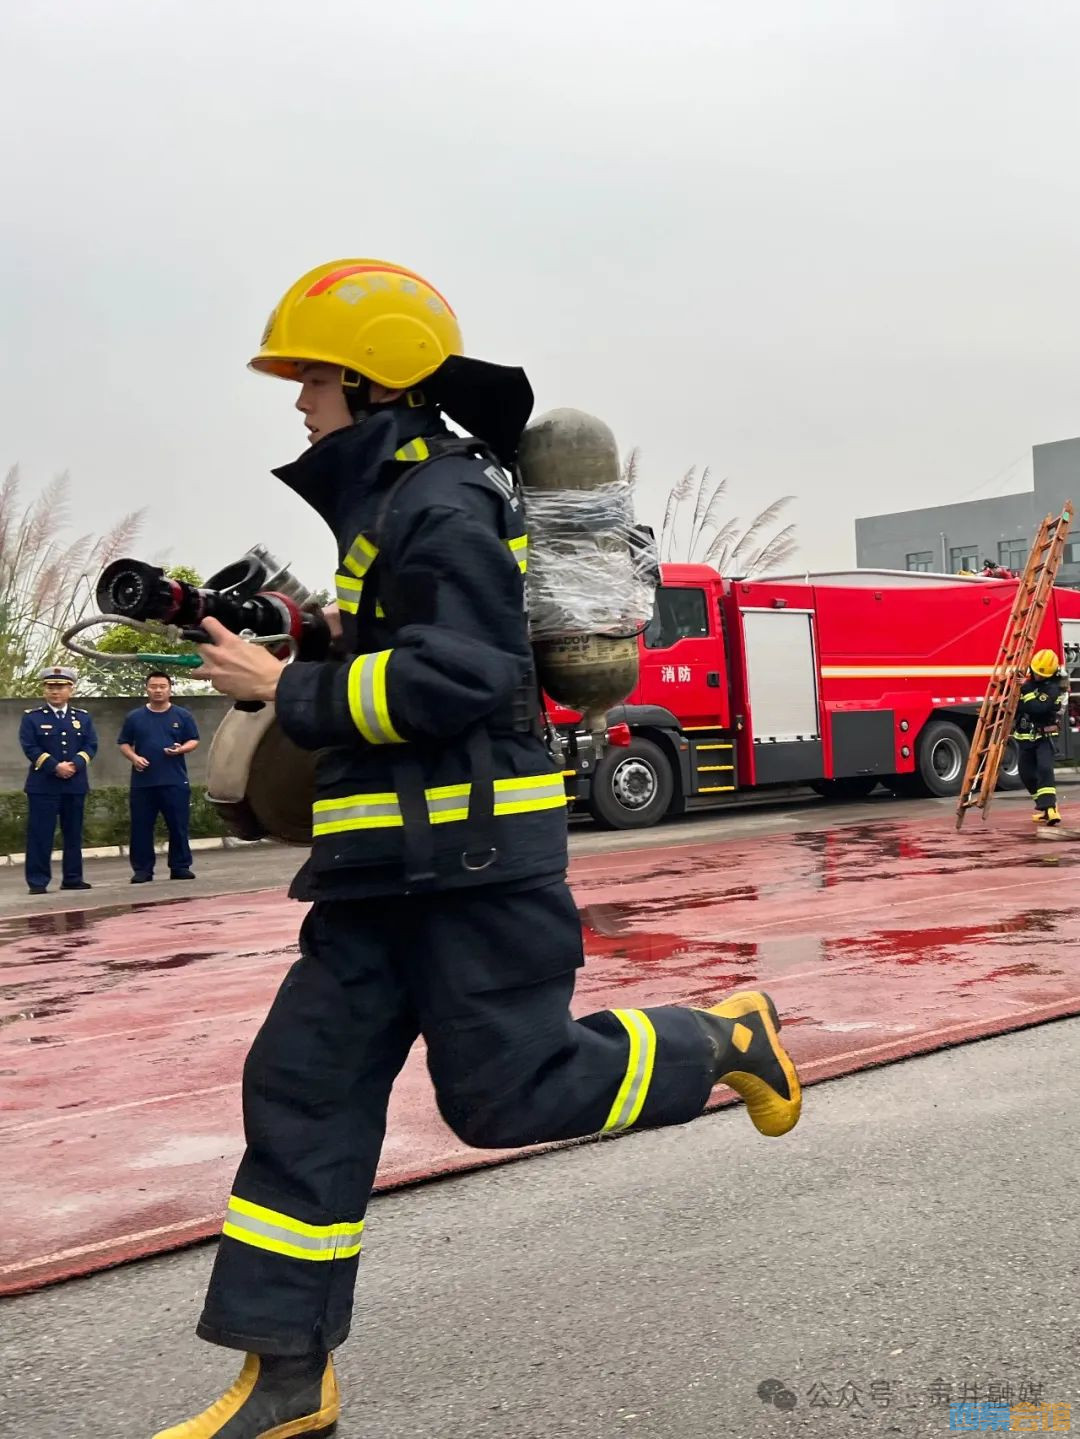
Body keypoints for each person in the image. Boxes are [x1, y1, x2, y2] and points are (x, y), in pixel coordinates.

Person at [152, 259, 804, 1439]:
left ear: (371, 378)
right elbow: (412, 650)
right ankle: (289, 1381)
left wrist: (292, 686)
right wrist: (310, 632)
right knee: (299, 1095)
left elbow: (474, 675)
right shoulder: (388, 510)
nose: (298, 404)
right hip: (370, 885)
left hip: (469, 875)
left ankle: (723, 1038)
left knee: (509, 1096)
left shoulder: (444, 500)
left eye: (309, 380)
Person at [18, 666, 97, 896]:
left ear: (70, 690)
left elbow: (90, 746)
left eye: (60, 687)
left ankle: (73, 878)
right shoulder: (32, 718)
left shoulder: (82, 718)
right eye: (50, 687)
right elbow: (30, 747)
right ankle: (37, 881)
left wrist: (74, 765)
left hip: (75, 783)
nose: (55, 692)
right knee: (40, 834)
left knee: (73, 833)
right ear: (44, 690)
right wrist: (55, 766)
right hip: (43, 785)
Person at [118, 671, 200, 882]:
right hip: (143, 783)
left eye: (162, 686)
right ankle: (142, 870)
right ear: (147, 689)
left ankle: (180, 866)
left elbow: (194, 740)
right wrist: (134, 758)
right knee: (141, 827)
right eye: (153, 686)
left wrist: (181, 749)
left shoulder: (182, 715)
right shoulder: (134, 717)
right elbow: (123, 743)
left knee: (178, 826)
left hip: (174, 780)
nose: (158, 690)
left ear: (170, 689)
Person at [1014, 648, 1067, 825]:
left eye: (1042, 675)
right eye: (1035, 673)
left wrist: (1026, 688)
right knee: (1026, 774)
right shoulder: (1031, 684)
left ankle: (1052, 809)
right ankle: (1043, 808)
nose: (1038, 677)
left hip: (1045, 737)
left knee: (1044, 769)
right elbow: (1022, 707)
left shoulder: (1052, 689)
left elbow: (1037, 708)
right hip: (1025, 738)